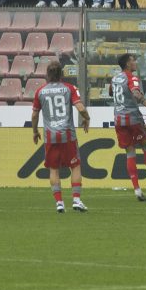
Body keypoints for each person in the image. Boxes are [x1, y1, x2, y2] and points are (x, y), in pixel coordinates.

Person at [32, 61, 90, 214]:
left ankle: (59, 203)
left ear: (48, 74)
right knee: (75, 166)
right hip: (67, 135)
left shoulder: (40, 91)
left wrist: (34, 131)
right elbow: (80, 108)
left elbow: (34, 114)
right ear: (61, 74)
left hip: (50, 137)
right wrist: (87, 118)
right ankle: (76, 200)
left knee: (53, 169)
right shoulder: (69, 88)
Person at [109, 54, 146, 200]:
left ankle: (137, 189)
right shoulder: (132, 77)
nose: (135, 63)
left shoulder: (115, 78)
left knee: (130, 153)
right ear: (127, 64)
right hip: (133, 118)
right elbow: (136, 94)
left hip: (119, 119)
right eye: (133, 60)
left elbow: (111, 92)